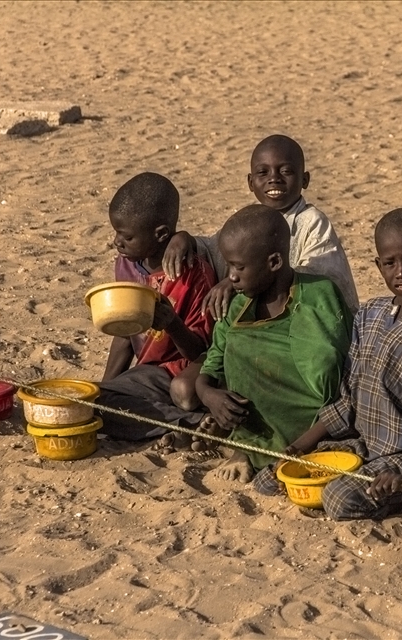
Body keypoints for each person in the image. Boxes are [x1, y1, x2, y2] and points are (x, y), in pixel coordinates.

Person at [281, 208, 402, 520]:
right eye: (390, 263)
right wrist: (299, 445)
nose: (401, 271)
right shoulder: (370, 314)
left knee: (339, 499)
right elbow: (349, 397)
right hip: (365, 443)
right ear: (378, 265)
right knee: (274, 477)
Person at [195, 204, 352, 484]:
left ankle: (278, 449)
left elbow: (340, 371)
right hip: (251, 423)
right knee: (239, 345)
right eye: (229, 265)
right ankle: (245, 448)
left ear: (275, 262)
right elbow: (213, 360)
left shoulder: (320, 295)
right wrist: (208, 394)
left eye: (239, 267)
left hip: (317, 426)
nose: (230, 277)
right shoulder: (239, 305)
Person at [162, 134, 359, 316]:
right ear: (250, 182)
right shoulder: (250, 219)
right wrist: (185, 239)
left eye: (286, 171)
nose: (274, 179)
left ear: (305, 180)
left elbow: (319, 277)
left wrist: (238, 281)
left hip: (301, 322)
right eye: (263, 172)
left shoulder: (312, 222)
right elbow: (215, 250)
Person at [96, 172, 216, 441]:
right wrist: (103, 391)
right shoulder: (126, 265)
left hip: (185, 371)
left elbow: (202, 350)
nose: (117, 242)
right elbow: (125, 335)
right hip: (150, 372)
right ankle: (187, 426)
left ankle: (189, 424)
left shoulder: (193, 275)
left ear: (161, 234)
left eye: (126, 237)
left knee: (171, 396)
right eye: (116, 233)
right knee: (98, 407)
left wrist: (172, 324)